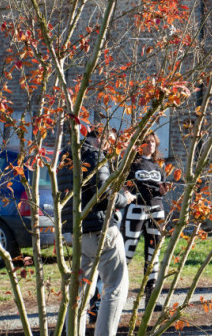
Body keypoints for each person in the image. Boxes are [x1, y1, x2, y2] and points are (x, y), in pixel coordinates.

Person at [62, 127, 135, 336]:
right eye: (111, 141)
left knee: (80, 292)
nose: (112, 147)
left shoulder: (66, 155)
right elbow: (104, 197)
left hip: (78, 233)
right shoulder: (95, 155)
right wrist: (125, 199)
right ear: (101, 138)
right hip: (102, 230)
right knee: (115, 288)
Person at [123, 131, 169, 310]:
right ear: (140, 144)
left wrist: (164, 191)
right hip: (136, 210)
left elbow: (160, 189)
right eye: (147, 142)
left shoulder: (158, 166)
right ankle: (114, 294)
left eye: (153, 142)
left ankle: (150, 299)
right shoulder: (132, 163)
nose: (150, 145)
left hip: (156, 210)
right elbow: (123, 184)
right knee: (127, 252)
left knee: (154, 254)